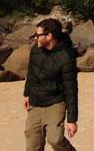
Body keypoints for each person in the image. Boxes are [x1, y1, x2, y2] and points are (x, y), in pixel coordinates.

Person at [23, 18, 78, 151]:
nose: (35, 38)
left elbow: (71, 89)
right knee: (32, 147)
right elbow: (31, 74)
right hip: (35, 102)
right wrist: (26, 94)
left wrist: (72, 120)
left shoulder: (66, 55)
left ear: (49, 36)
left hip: (55, 102)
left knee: (55, 139)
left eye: (38, 35)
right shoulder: (35, 50)